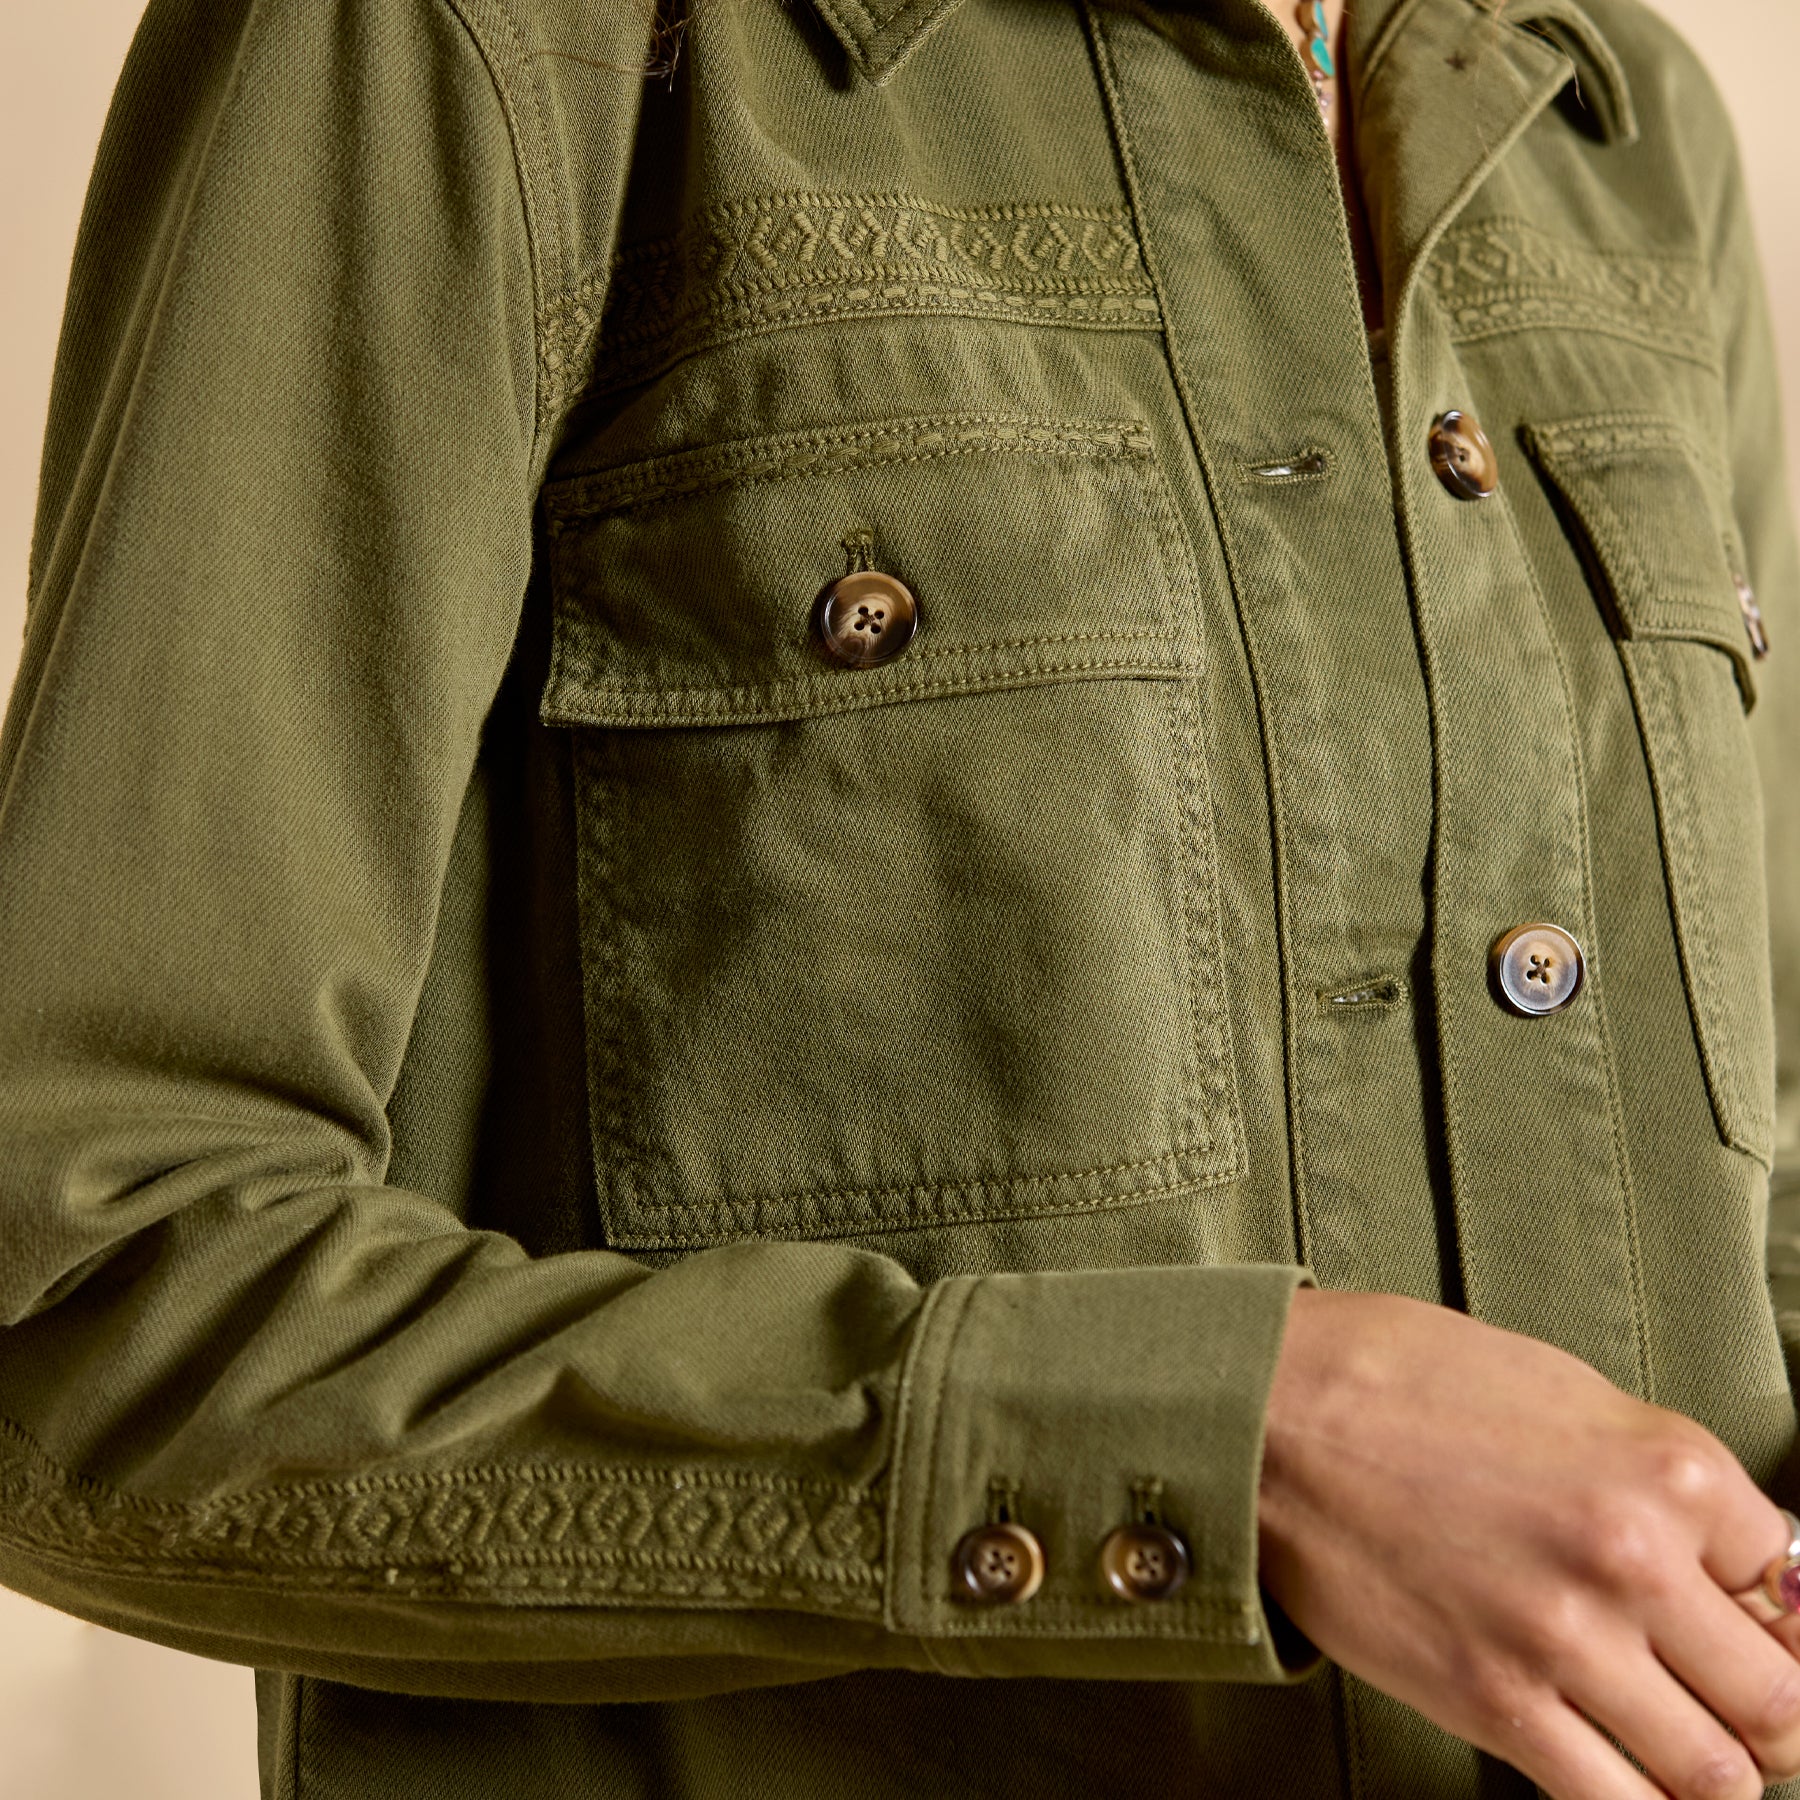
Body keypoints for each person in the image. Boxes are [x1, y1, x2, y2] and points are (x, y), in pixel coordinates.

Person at [1, 0, 1796, 1792]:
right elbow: (84, 1292)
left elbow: (1766, 1164)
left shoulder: (1615, 121)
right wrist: (1216, 1444)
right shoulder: (468, 43)